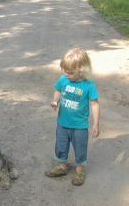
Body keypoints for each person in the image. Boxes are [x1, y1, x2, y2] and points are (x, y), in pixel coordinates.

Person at [45, 48, 100, 186]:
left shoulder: (88, 84)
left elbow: (94, 104)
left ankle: (80, 170)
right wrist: (55, 100)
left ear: (82, 69)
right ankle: (61, 167)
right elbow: (57, 90)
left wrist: (96, 124)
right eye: (65, 71)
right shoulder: (63, 79)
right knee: (60, 145)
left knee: (80, 147)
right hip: (62, 123)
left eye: (71, 72)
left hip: (80, 126)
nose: (67, 74)